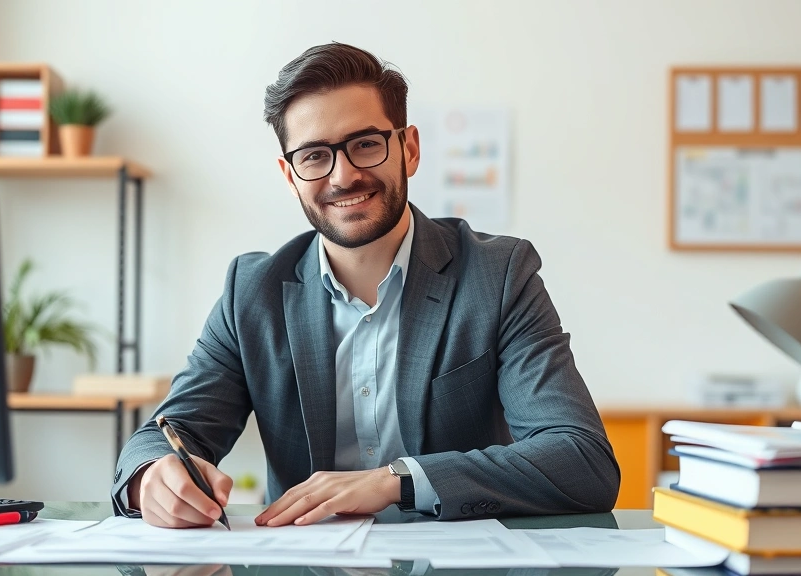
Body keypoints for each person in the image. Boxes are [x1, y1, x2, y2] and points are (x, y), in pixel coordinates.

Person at [112, 42, 620, 528]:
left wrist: (396, 481)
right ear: (291, 176)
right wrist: (152, 478)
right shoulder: (252, 291)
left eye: (365, 145)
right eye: (314, 156)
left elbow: (582, 460)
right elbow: (165, 435)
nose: (343, 175)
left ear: (409, 148)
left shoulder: (498, 275)